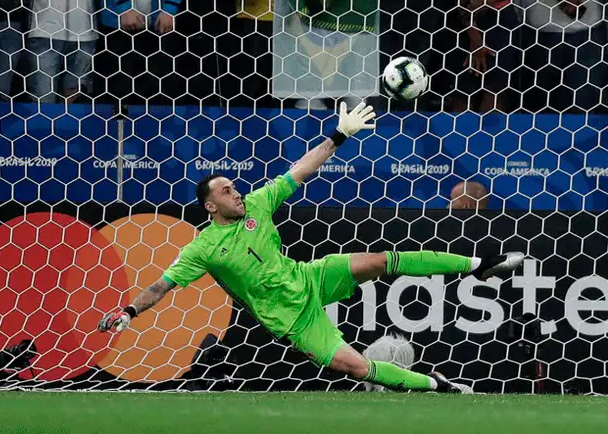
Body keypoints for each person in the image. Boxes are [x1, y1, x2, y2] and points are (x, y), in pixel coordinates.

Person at [98, 102, 525, 393]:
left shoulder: (258, 204)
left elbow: (300, 169)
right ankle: (439, 385)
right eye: (226, 191)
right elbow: (163, 284)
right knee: (356, 368)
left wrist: (339, 134)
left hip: (309, 277)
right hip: (290, 318)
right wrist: (128, 311)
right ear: (211, 205)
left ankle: (477, 264)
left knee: (379, 259)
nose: (236, 192)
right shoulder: (203, 248)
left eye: (234, 186)